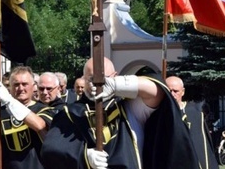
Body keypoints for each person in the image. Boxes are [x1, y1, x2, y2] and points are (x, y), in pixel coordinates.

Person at [40, 57, 200, 169]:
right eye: (91, 79)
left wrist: (117, 85)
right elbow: (52, 150)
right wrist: (83, 156)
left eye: (103, 78)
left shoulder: (129, 106)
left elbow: (157, 92)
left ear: (114, 77)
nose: (97, 84)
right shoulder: (70, 112)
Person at [0, 66, 55, 169]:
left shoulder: (44, 110)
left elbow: (39, 125)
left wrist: (10, 101)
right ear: (9, 87)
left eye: (24, 84)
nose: (20, 88)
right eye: (16, 84)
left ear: (34, 87)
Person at [165, 76, 219, 169]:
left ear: (183, 92)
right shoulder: (158, 113)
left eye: (175, 91)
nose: (172, 94)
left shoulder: (195, 114)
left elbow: (202, 146)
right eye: (169, 91)